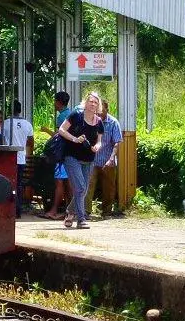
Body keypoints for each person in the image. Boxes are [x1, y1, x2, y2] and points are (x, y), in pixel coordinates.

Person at [58, 91, 104, 229]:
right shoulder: (75, 116)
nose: (93, 104)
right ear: (86, 102)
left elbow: (100, 141)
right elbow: (61, 130)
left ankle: (70, 212)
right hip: (71, 157)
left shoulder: (99, 122)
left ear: (98, 106)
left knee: (82, 190)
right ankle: (81, 219)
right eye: (91, 101)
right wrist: (75, 139)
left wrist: (97, 146)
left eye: (96, 102)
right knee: (81, 187)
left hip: (89, 159)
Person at [86, 98, 123, 218]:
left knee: (109, 188)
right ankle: (86, 212)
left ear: (107, 109)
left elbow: (117, 142)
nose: (99, 112)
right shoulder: (91, 120)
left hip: (108, 160)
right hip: (92, 160)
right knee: (88, 185)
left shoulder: (113, 123)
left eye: (102, 109)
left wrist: (111, 158)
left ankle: (106, 211)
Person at [38, 91, 72, 219]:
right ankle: (70, 211)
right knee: (68, 182)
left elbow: (58, 137)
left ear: (58, 102)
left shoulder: (61, 117)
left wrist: (46, 130)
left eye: (55, 101)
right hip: (70, 154)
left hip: (61, 155)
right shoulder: (71, 114)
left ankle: (54, 211)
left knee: (59, 182)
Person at [2, 101, 35, 218]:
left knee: (7, 183)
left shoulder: (5, 123)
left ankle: (8, 208)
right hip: (21, 159)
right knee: (19, 184)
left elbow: (0, 141)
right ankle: (18, 210)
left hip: (8, 158)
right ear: (20, 110)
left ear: (10, 110)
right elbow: (31, 142)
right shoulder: (27, 124)